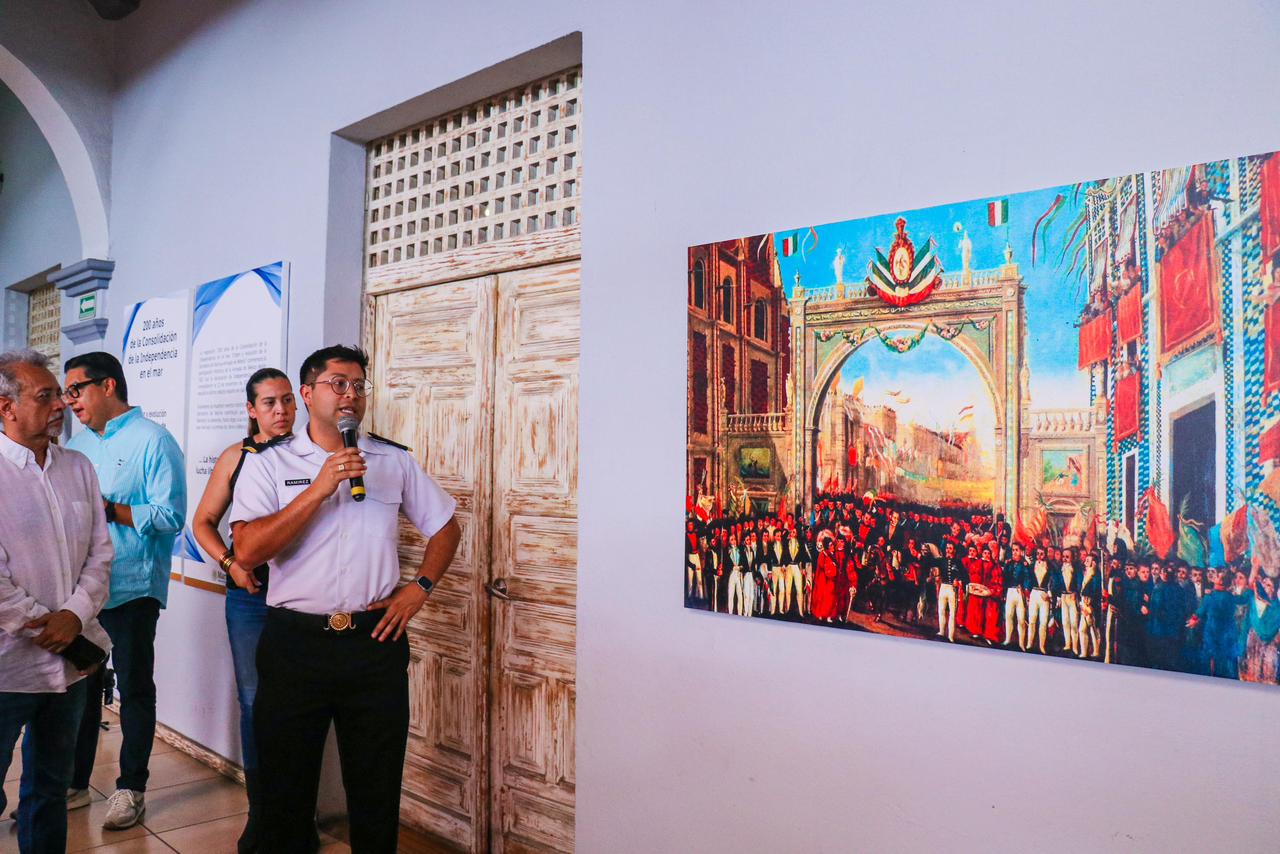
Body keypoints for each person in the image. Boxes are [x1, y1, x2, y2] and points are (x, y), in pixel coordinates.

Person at [229, 345, 461, 853]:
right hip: (295, 645)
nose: (350, 395)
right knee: (285, 792)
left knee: (376, 791)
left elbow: (446, 527)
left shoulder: (392, 460)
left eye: (358, 385)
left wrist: (418, 589)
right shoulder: (269, 462)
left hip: (372, 644)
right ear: (307, 393)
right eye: (338, 384)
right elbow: (247, 550)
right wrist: (318, 488)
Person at [64, 351, 185, 830]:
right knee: (80, 689)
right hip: (83, 592)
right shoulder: (77, 446)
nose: (70, 400)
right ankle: (75, 784)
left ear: (108, 385)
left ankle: (131, 788)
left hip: (133, 587)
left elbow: (171, 516)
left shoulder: (154, 440)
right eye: (67, 392)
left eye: (77, 389)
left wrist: (111, 509)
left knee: (134, 690)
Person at [0, 350, 113, 853]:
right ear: (7, 407)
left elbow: (100, 553)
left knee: (50, 789)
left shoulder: (79, 467)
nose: (60, 405)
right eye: (45, 396)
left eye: (59, 395)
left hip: (69, 669)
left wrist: (74, 615)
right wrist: (47, 625)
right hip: (8, 668)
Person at [190, 367, 296, 853]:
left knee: (302, 703)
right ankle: (262, 815)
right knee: (255, 700)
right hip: (252, 594)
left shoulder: (309, 451)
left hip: (302, 595)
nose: (281, 410)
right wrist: (230, 564)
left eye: (287, 400)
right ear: (251, 410)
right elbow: (203, 523)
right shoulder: (239, 456)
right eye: (269, 402)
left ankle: (298, 814)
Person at [1238, 574, 1280, 684]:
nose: (1264, 587)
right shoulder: (1253, 601)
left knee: (1268, 677)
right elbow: (1246, 624)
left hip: (1270, 647)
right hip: (1253, 645)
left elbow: (1271, 629)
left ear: (1274, 589)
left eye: (1268, 585)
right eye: (1263, 584)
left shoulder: (1277, 607)